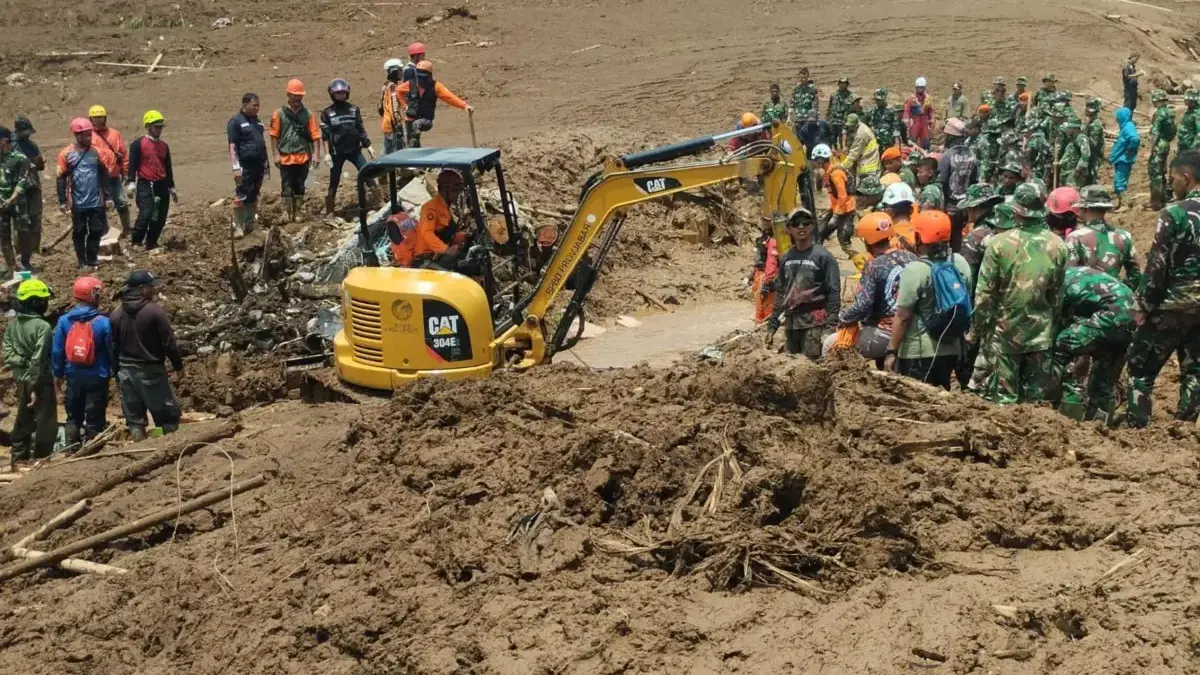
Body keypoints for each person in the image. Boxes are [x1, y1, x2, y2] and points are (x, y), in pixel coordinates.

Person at [973, 183, 1068, 404]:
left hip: (1005, 334)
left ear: (1016, 210)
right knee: (1035, 402)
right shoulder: (1058, 245)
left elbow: (984, 295)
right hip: (1040, 334)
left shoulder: (999, 244)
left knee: (1004, 401)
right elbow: (1057, 296)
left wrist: (977, 328)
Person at [1126, 151, 1200, 426]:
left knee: (1140, 369)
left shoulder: (1174, 214)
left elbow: (1157, 266)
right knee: (1195, 370)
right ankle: (1184, 427)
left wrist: (1142, 305)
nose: (1171, 185)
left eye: (1173, 179)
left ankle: (1137, 428)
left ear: (1186, 177)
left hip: (1172, 305)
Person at [885, 210, 971, 389]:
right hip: (951, 349)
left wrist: (891, 351)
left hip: (918, 352)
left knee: (917, 398)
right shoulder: (960, 263)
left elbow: (903, 317)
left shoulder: (915, 270)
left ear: (919, 237)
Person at [825, 212, 916, 361]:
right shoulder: (911, 257)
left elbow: (863, 305)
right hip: (913, 329)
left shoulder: (873, 265)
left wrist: (842, 318)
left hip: (885, 333)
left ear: (867, 241)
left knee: (829, 344)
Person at [1053, 266, 1137, 423]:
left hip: (1113, 313)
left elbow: (1057, 320)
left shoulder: (1058, 281)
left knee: (1063, 344)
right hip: (1133, 318)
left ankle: (1068, 422)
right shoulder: (1075, 273)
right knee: (1103, 380)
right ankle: (1099, 426)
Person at [110, 270, 183, 440]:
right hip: (151, 371)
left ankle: (139, 448)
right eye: (151, 286)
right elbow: (169, 344)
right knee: (167, 417)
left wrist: (116, 371)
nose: (155, 289)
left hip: (126, 372)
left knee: (135, 420)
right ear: (142, 289)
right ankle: (172, 449)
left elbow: (113, 346)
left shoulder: (116, 314)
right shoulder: (155, 311)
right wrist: (178, 367)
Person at [763, 207, 840, 357]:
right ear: (788, 228)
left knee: (811, 364)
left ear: (812, 226)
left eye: (805, 222)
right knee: (792, 365)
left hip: (815, 323)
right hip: (792, 324)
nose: (801, 226)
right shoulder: (787, 258)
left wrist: (830, 328)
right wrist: (772, 327)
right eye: (796, 223)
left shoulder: (823, 257)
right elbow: (782, 293)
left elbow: (833, 292)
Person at [51, 276, 114, 446]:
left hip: (73, 375)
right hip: (98, 376)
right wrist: (114, 370)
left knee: (73, 416)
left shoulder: (64, 321)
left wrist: (57, 374)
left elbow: (57, 350)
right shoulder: (104, 322)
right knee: (95, 417)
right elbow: (111, 350)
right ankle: (93, 450)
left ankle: (71, 448)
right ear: (93, 296)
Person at [3, 279, 56, 466]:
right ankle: (41, 461)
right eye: (44, 300)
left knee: (23, 420)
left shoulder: (13, 325)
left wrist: (22, 363)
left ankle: (18, 459)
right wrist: (35, 385)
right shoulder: (43, 327)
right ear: (36, 302)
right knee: (46, 423)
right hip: (39, 380)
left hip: (21, 379)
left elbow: (7, 354)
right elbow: (38, 359)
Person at [57, 118, 118, 270]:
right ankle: (82, 261)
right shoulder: (66, 154)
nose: (89, 138)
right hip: (77, 202)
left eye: (90, 135)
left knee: (96, 230)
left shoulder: (97, 152)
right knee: (79, 231)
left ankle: (92, 258)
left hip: (96, 200)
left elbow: (104, 175)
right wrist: (62, 201)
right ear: (77, 136)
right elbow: (61, 178)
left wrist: (108, 197)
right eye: (86, 135)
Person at [269, 79, 323, 222]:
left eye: (300, 95)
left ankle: (297, 212)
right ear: (288, 95)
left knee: (300, 185)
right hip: (285, 156)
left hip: (303, 156)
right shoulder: (279, 114)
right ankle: (286, 212)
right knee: (286, 185)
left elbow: (315, 136)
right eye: (295, 95)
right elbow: (274, 135)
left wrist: (316, 155)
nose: (298, 98)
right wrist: (275, 154)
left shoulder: (308, 114)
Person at [320, 78, 376, 214]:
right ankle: (330, 211)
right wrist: (326, 154)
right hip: (336, 152)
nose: (341, 95)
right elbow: (325, 135)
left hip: (355, 151)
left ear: (347, 93)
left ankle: (379, 201)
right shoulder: (327, 113)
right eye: (338, 93)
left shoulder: (354, 110)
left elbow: (360, 129)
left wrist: (368, 145)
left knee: (366, 172)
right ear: (332, 94)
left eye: (343, 93)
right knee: (334, 179)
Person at [1065, 185, 1140, 285]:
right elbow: (1136, 275)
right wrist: (1118, 289)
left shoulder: (1074, 238)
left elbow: (1069, 277)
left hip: (1086, 293)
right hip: (1114, 293)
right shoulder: (1124, 236)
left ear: (1084, 209)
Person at [125, 110, 177, 250]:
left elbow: (168, 167)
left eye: (160, 127)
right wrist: (131, 182)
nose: (159, 130)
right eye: (156, 127)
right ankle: (136, 241)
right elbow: (132, 164)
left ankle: (152, 242)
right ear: (148, 127)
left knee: (161, 216)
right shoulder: (138, 144)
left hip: (162, 184)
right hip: (146, 184)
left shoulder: (164, 146)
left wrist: (172, 187)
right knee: (146, 213)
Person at [395, 61, 473, 149]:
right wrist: (404, 105)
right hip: (411, 118)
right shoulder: (410, 84)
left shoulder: (436, 86)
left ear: (429, 76)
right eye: (419, 77)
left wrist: (464, 105)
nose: (421, 80)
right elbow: (398, 90)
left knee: (416, 124)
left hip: (426, 120)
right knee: (412, 144)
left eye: (423, 77)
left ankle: (415, 135)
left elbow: (449, 97)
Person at [228, 93, 269, 237]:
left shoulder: (258, 122)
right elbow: (232, 146)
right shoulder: (236, 122)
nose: (257, 108)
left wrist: (266, 164)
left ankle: (250, 224)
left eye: (258, 105)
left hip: (258, 165)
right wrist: (236, 167)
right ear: (245, 105)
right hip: (244, 166)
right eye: (254, 105)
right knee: (242, 194)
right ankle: (238, 226)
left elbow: (262, 144)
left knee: (254, 193)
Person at [87, 105, 132, 238]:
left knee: (121, 202)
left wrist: (125, 172)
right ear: (91, 119)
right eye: (96, 117)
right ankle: (105, 233)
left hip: (113, 175)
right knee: (100, 205)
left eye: (101, 117)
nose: (98, 120)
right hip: (96, 178)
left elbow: (123, 154)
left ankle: (127, 229)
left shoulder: (114, 133)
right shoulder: (88, 135)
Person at [415, 169, 472, 270]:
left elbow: (445, 230)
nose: (458, 195)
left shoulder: (445, 207)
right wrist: (445, 249)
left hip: (439, 254)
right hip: (428, 258)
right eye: (456, 191)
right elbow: (426, 232)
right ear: (445, 190)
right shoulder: (430, 208)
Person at [958, 183, 1006, 294]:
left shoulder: (974, 238)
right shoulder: (1006, 229)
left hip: (984, 294)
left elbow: (968, 276)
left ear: (976, 207)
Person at [938, 118, 978, 251]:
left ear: (950, 136)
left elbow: (942, 183)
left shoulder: (946, 156)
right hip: (964, 207)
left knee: (944, 241)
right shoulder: (972, 155)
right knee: (957, 238)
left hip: (949, 207)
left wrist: (942, 208)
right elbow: (973, 182)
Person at [811, 143, 855, 257]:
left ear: (820, 160)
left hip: (846, 210)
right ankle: (817, 259)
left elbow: (842, 196)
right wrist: (830, 212)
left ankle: (861, 262)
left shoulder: (836, 173)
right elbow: (834, 197)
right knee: (820, 233)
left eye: (815, 160)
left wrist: (835, 216)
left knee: (844, 242)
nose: (814, 163)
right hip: (836, 209)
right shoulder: (828, 172)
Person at [0, 126, 33, 276]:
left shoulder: (20, 158)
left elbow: (24, 180)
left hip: (18, 202)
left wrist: (13, 197)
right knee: (3, 235)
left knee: (22, 232)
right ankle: (10, 266)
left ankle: (22, 262)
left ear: (4, 140)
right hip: (2, 202)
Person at [13, 117, 44, 263]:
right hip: (18, 189)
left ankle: (34, 249)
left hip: (34, 186)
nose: (28, 135)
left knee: (35, 218)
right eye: (25, 132)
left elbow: (40, 167)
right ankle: (20, 251)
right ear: (18, 131)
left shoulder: (32, 145)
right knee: (21, 221)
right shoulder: (11, 146)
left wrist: (39, 164)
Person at [1147, 90, 1177, 210]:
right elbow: (1173, 130)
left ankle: (1155, 202)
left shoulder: (1160, 113)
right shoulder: (1170, 112)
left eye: (1155, 101)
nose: (1153, 103)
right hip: (1165, 144)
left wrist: (1150, 149)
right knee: (1161, 172)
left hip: (1158, 145)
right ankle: (1164, 197)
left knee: (1155, 173)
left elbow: (1155, 133)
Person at [1108, 107, 1140, 212]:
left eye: (1118, 117)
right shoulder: (1125, 126)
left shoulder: (1128, 127)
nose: (1117, 119)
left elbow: (1135, 139)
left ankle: (1125, 204)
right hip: (1121, 158)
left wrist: (1130, 150)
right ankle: (1122, 203)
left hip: (1124, 159)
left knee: (1120, 182)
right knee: (1119, 181)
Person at [748, 218, 779, 324]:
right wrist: (752, 275)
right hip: (760, 274)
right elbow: (759, 259)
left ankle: (766, 327)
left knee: (767, 306)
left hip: (768, 275)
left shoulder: (774, 239)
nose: (764, 223)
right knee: (759, 304)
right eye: (763, 220)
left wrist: (767, 281)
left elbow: (772, 262)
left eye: (767, 220)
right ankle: (758, 325)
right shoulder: (763, 238)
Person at [842, 114, 880, 181]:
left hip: (867, 166)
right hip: (869, 161)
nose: (850, 127)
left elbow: (854, 155)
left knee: (865, 186)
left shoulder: (861, 134)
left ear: (856, 124)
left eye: (851, 126)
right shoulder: (862, 125)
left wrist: (842, 167)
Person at [379, 59, 406, 153]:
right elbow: (394, 108)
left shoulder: (385, 85)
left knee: (388, 151)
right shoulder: (393, 87)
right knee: (398, 152)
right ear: (393, 72)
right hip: (393, 125)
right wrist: (397, 124)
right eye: (400, 70)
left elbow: (380, 108)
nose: (401, 73)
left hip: (386, 123)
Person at [1058, 119, 1091, 188]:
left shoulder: (1082, 138)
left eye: (1069, 128)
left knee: (1072, 192)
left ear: (1075, 129)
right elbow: (1068, 154)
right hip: (1066, 172)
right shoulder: (1072, 139)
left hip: (1074, 173)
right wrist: (1060, 163)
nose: (1066, 130)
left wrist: (1078, 170)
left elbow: (1085, 156)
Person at [903, 77, 934, 149]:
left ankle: (926, 152)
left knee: (925, 141)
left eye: (922, 88)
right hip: (914, 121)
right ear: (916, 88)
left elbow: (931, 110)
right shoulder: (911, 98)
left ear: (925, 88)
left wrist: (932, 120)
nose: (920, 89)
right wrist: (907, 123)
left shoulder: (928, 98)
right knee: (912, 140)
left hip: (924, 122)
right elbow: (906, 111)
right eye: (919, 87)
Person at [826, 77, 855, 151]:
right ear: (838, 84)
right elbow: (829, 107)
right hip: (833, 121)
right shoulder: (833, 95)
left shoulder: (851, 96)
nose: (842, 85)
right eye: (841, 83)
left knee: (843, 143)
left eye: (844, 83)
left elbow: (853, 109)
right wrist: (826, 119)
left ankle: (843, 156)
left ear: (847, 84)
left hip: (843, 122)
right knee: (832, 141)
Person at [1084, 99, 1106, 185]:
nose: (1085, 111)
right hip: (1091, 154)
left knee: (1091, 177)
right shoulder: (1090, 122)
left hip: (1094, 156)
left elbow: (1093, 143)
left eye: (1088, 109)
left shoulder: (1095, 125)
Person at [1178, 89, 1200, 155]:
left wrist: (1193, 149)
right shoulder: (1188, 110)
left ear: (1192, 101)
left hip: (1190, 148)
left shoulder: (1197, 113)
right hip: (1183, 145)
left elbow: (1199, 133)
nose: (1184, 101)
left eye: (1186, 99)